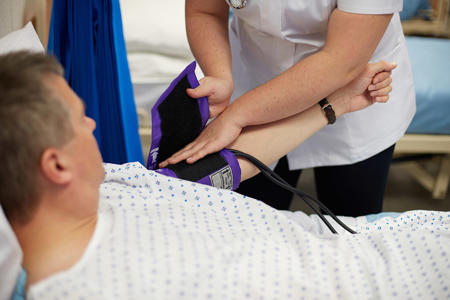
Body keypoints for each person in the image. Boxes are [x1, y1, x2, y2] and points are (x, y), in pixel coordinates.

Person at [4, 52, 443, 300]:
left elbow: (233, 163)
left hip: (382, 246)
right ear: (56, 165)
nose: (93, 126)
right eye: (80, 121)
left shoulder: (117, 183)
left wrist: (339, 103)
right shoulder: (86, 289)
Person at [161, 0, 416, 215]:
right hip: (256, 77)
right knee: (248, 220)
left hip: (354, 89)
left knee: (350, 227)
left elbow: (340, 62)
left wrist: (236, 117)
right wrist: (219, 74)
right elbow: (204, 10)